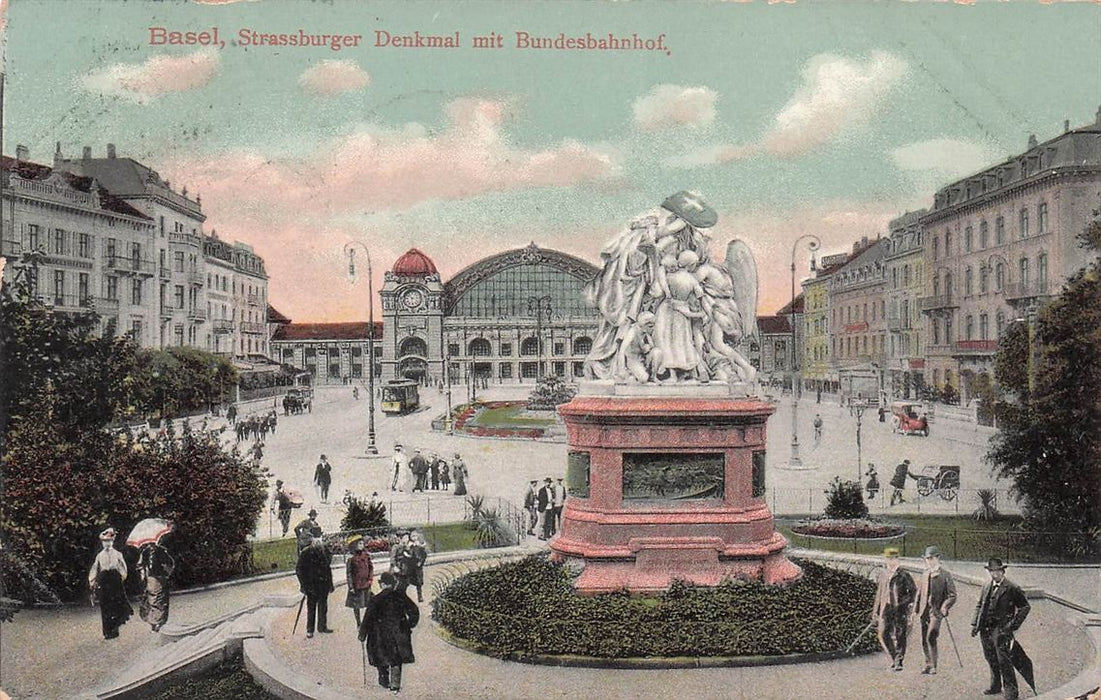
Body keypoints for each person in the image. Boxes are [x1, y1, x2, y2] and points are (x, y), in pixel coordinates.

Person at [972, 558, 1031, 699]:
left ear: (1002, 571)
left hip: (1002, 629)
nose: (994, 574)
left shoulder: (1011, 588)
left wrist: (1013, 625)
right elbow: (979, 605)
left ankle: (1011, 690)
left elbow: (1025, 607)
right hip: (985, 628)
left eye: (997, 571)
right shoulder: (986, 586)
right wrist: (975, 624)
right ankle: (996, 685)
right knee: (990, 657)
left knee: (1003, 659)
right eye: (991, 571)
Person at [359, 571, 420, 694]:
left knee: (381, 655)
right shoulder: (400, 596)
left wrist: (362, 633)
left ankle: (384, 679)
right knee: (396, 658)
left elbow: (367, 618)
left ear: (382, 584)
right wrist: (409, 625)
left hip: (379, 634)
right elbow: (414, 611)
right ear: (393, 583)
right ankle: (395, 685)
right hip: (398, 632)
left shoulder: (375, 599)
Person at [913, 545, 958, 675]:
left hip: (936, 611)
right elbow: (919, 593)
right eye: (927, 558)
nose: (929, 561)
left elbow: (952, 595)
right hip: (924, 611)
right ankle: (928, 663)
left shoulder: (945, 575)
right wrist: (915, 610)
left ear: (938, 558)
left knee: (931, 635)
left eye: (931, 558)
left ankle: (934, 665)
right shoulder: (925, 573)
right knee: (923, 638)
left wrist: (945, 606)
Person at [872, 547, 916, 671]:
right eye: (888, 559)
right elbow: (879, 593)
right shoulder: (883, 574)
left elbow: (913, 592)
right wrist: (875, 611)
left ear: (897, 560)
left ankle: (899, 661)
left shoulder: (904, 575)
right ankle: (894, 657)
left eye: (893, 559)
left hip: (899, 608)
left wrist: (905, 604)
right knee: (883, 633)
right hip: (886, 607)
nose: (890, 562)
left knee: (900, 633)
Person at [88, 528, 132, 640]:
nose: (107, 543)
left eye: (109, 541)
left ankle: (115, 629)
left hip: (114, 580)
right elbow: (95, 568)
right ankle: (107, 631)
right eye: (105, 541)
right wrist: (92, 581)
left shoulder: (118, 554)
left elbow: (123, 568)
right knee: (105, 605)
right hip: (104, 581)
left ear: (113, 541)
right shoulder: (99, 555)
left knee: (116, 604)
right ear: (102, 542)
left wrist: (121, 577)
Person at [296, 537, 334, 638]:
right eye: (316, 540)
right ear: (312, 541)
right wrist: (303, 585)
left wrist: (330, 584)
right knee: (311, 608)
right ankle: (310, 630)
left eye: (320, 539)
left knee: (323, 607)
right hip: (311, 585)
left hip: (323, 585)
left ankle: (322, 627)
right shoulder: (306, 553)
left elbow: (327, 568)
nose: (318, 542)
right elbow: (299, 570)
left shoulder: (324, 551)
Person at [138, 538, 175, 633]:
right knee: (152, 600)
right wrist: (143, 574)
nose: (151, 545)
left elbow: (170, 563)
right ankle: (154, 622)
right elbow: (141, 565)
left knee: (160, 599)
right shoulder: (145, 552)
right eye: (149, 543)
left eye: (153, 543)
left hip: (160, 577)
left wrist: (167, 571)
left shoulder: (161, 550)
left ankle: (160, 622)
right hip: (150, 577)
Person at [345, 535, 374, 628]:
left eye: (362, 543)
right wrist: (351, 587)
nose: (362, 545)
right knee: (356, 605)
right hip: (356, 585)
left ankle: (368, 620)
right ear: (354, 545)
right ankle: (358, 622)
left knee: (369, 603)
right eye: (360, 543)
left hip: (366, 584)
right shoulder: (351, 558)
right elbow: (349, 574)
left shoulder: (366, 556)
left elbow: (371, 568)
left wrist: (370, 579)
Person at [408, 530, 429, 603]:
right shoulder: (409, 545)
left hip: (418, 567)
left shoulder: (420, 546)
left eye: (415, 536)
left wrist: (420, 562)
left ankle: (420, 596)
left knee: (419, 582)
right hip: (410, 566)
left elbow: (424, 555)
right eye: (412, 536)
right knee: (406, 581)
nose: (414, 538)